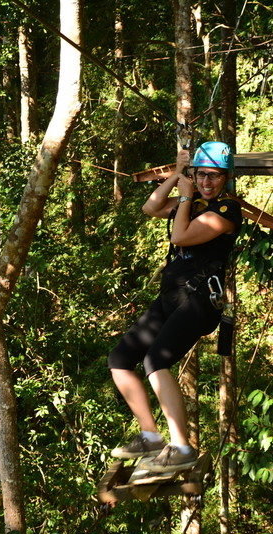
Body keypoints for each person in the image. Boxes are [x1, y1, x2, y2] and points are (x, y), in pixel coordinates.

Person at [107, 142, 242, 473]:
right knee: (120, 359)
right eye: (201, 175)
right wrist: (177, 177)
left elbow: (179, 237)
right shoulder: (193, 199)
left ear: (225, 179)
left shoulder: (226, 212)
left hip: (199, 300)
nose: (207, 183)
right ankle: (150, 435)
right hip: (172, 296)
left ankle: (181, 447)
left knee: (156, 360)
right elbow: (150, 208)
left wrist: (184, 197)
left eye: (214, 176)